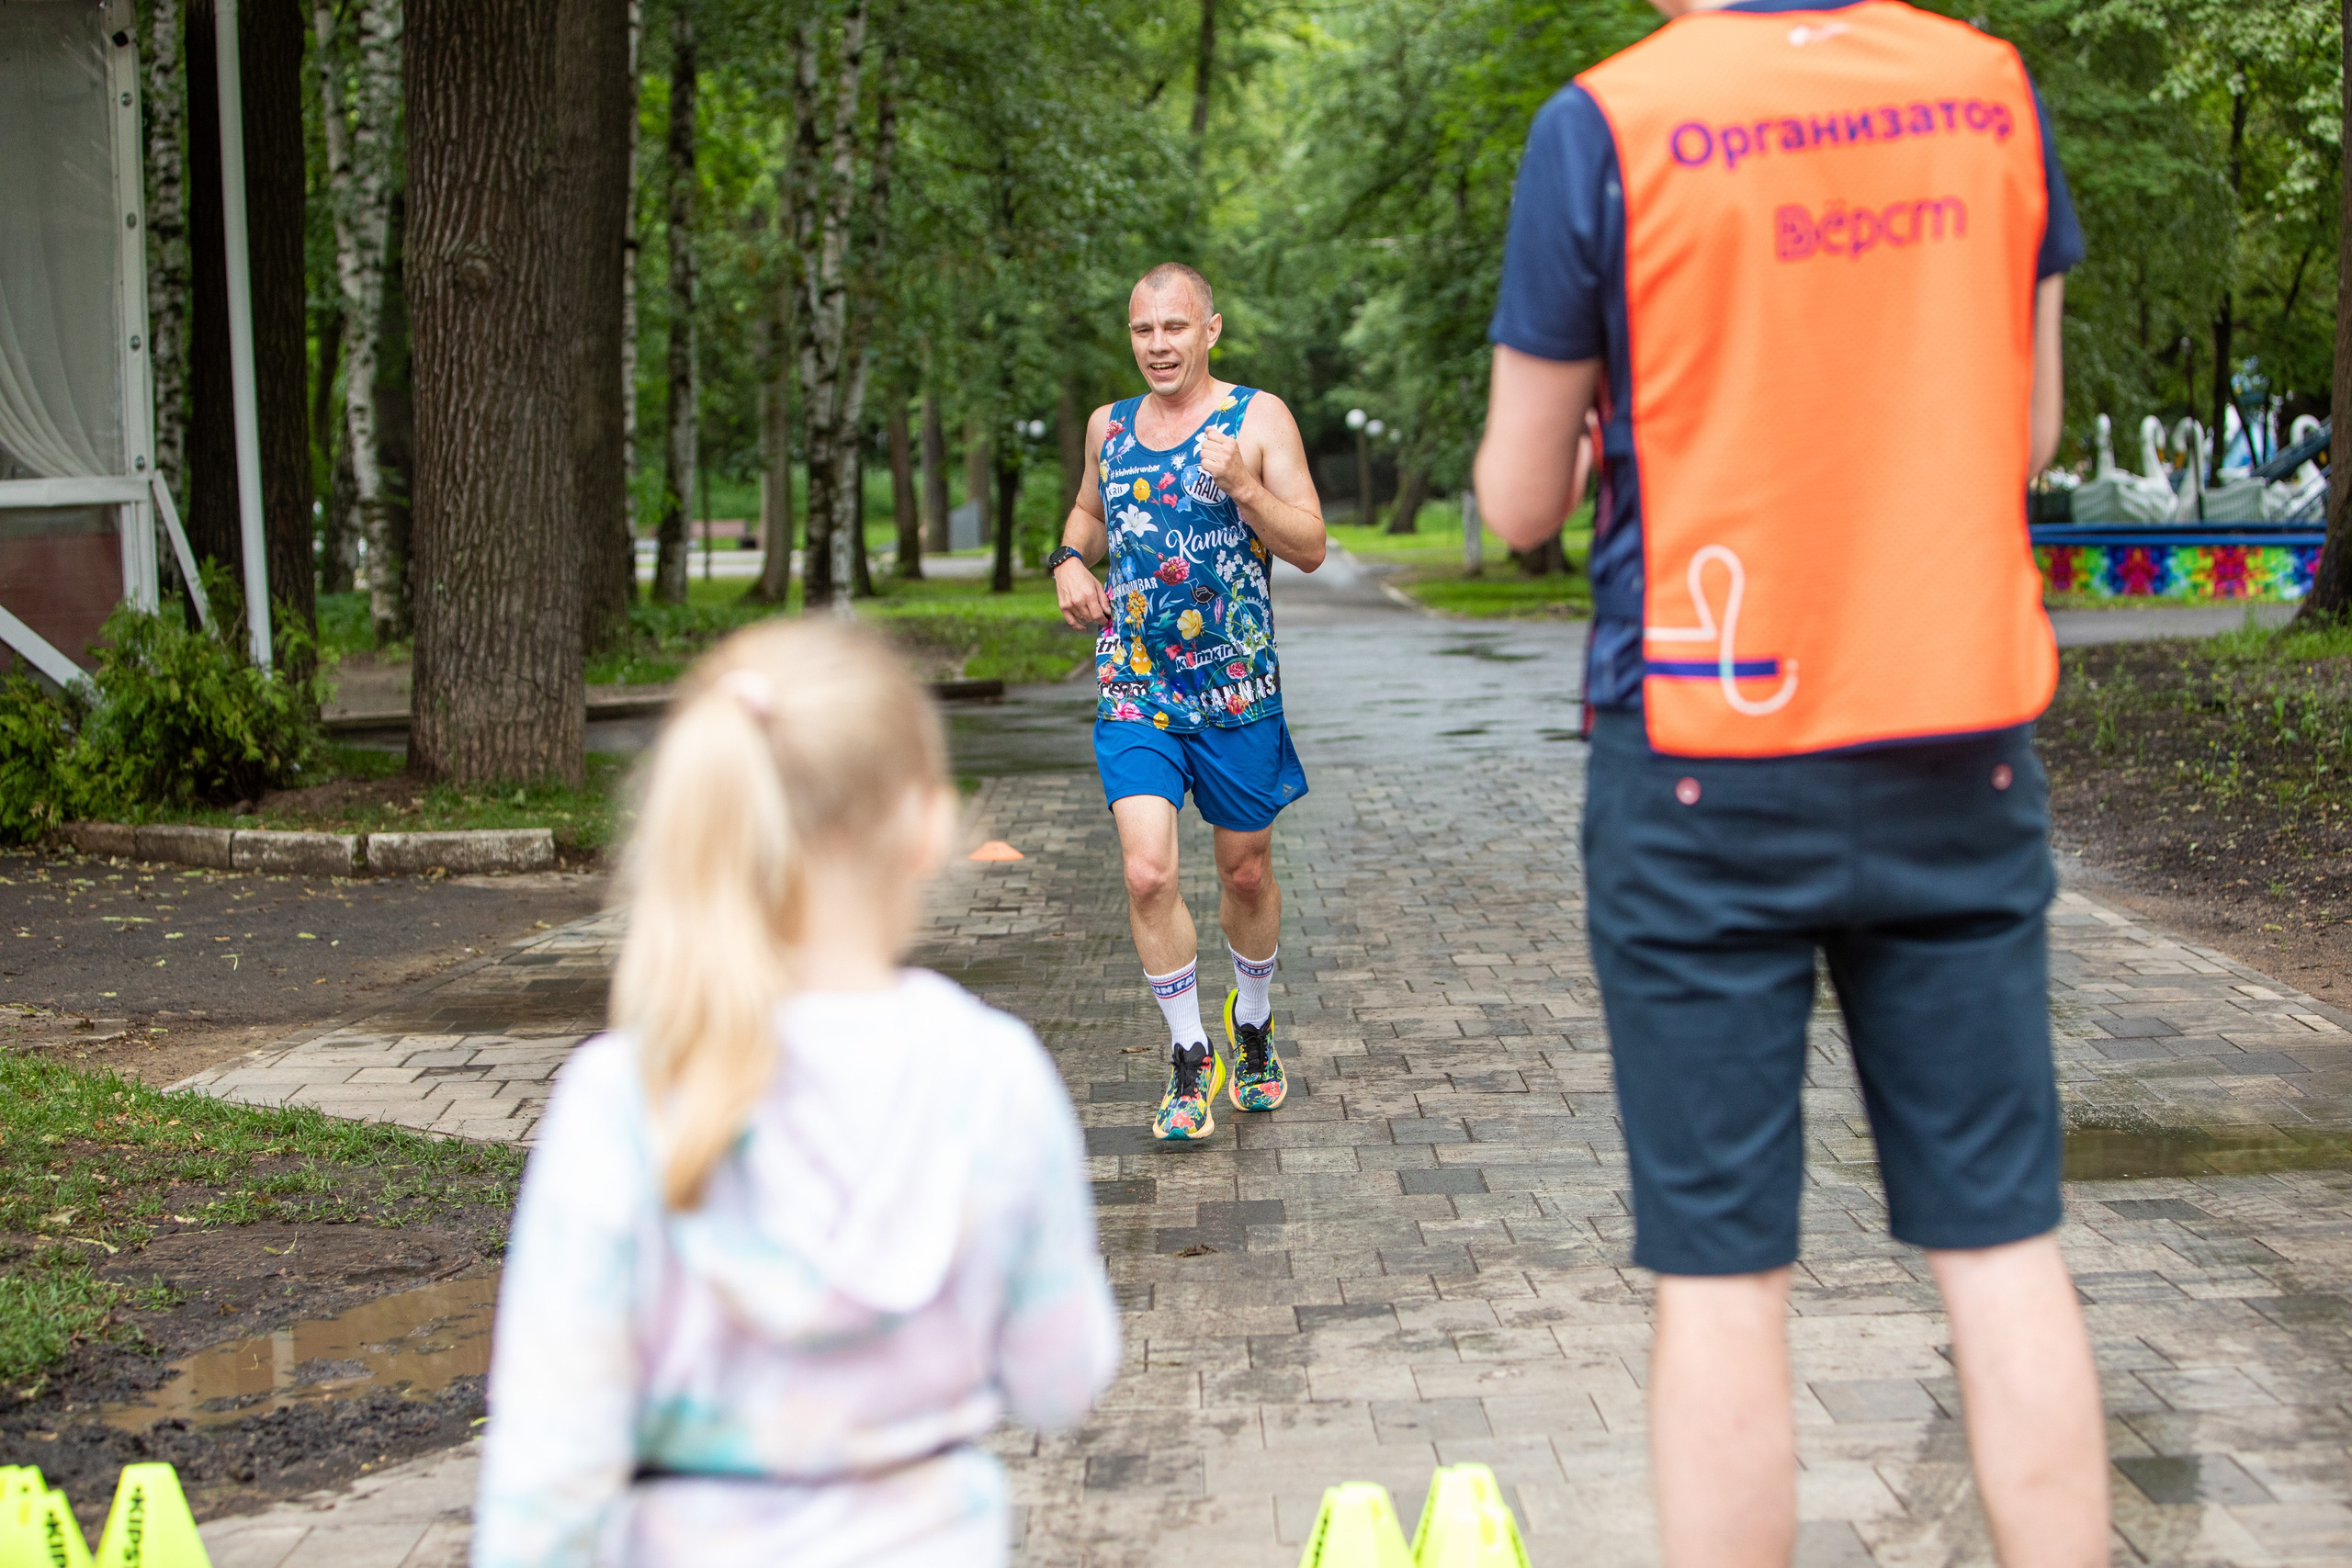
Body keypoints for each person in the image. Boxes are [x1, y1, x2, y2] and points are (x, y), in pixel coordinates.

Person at [1473, 3, 2108, 1565]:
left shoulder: (1605, 124)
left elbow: (1513, 496)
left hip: (1705, 752)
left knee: (1719, 1271)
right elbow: (2026, 431)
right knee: (2002, 1242)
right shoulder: (1987, 88)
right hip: (1955, 732)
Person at [470, 622, 1120, 1568]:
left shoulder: (623, 1098)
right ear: (930, 826)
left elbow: (551, 1469)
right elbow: (1061, 1381)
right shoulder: (991, 1075)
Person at [1048, 262, 1328, 1142]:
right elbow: (1090, 515)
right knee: (1147, 872)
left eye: (1175, 328)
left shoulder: (1259, 417)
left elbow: (1314, 544)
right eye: (1143, 330)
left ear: (1210, 330)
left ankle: (1252, 1022)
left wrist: (1245, 487)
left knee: (1244, 870)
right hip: (1135, 682)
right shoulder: (1109, 427)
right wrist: (1065, 560)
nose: (1158, 345)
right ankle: (1187, 1052)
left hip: (1236, 685)